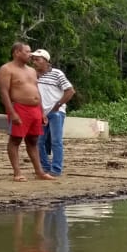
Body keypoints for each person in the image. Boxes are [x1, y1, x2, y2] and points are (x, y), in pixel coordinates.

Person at [0, 42, 55, 182]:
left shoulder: (31, 70)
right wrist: (12, 112)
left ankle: (39, 171)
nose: (30, 55)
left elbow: (36, 91)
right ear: (17, 52)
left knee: (33, 140)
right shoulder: (7, 69)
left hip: (35, 109)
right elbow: (4, 92)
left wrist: (41, 112)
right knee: (15, 139)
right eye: (27, 52)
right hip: (19, 107)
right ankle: (17, 172)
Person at [31, 49, 75, 177]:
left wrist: (58, 105)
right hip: (41, 113)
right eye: (33, 59)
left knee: (56, 141)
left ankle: (56, 169)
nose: (34, 62)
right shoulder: (33, 74)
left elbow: (70, 90)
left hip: (56, 112)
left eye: (37, 59)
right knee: (39, 141)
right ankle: (45, 167)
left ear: (46, 60)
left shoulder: (57, 73)